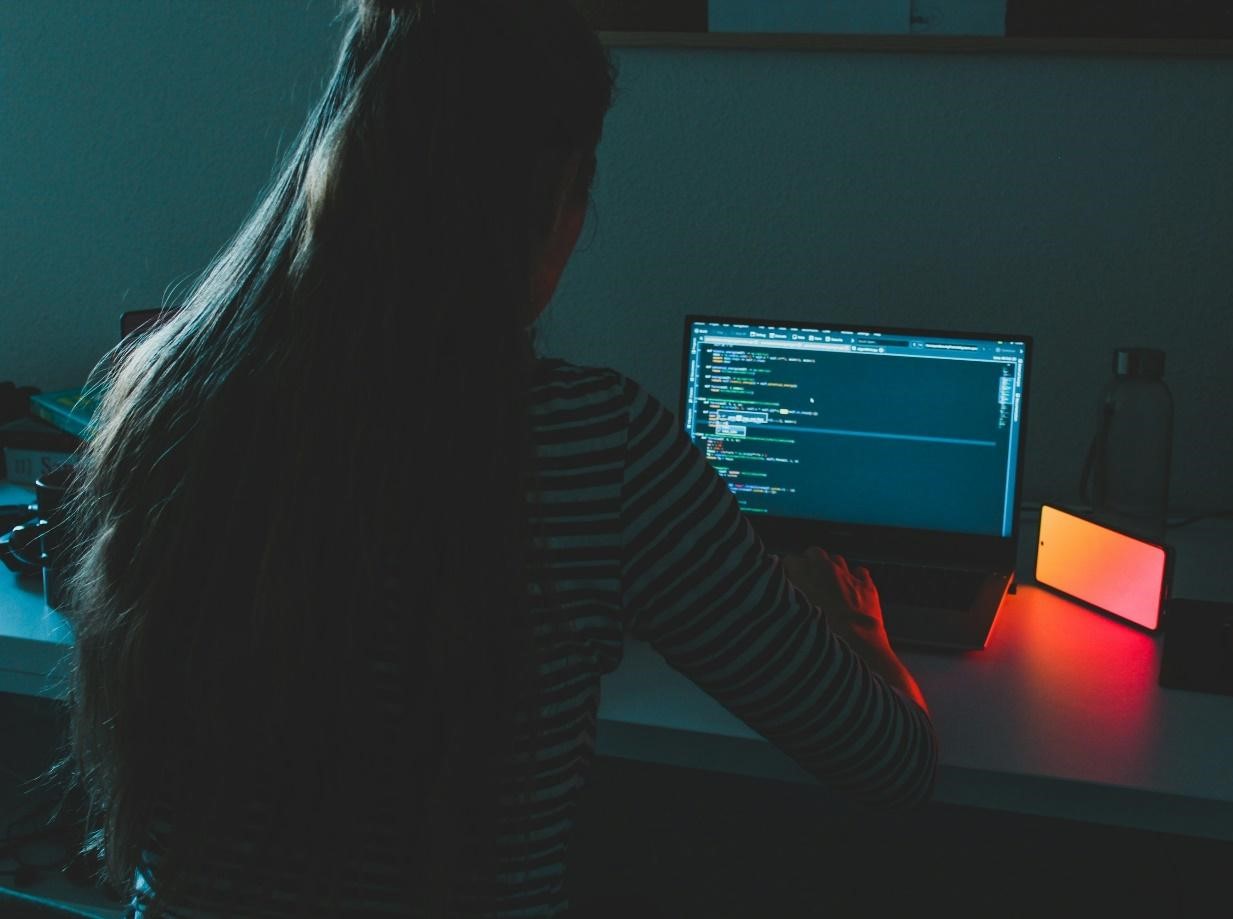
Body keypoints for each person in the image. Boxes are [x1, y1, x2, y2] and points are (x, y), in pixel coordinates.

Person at [59, 0, 936, 915]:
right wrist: (859, 628)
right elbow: (891, 760)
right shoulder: (598, 450)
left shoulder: (161, 396)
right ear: (554, 210)